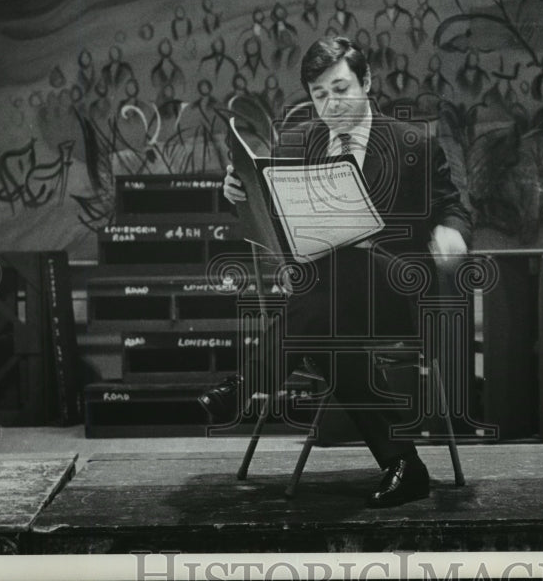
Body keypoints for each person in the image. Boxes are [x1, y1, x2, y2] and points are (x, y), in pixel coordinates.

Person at [199, 36, 471, 507]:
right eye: (320, 94)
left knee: (340, 266)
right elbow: (270, 219)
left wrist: (453, 235)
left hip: (394, 291)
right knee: (324, 323)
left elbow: (453, 208)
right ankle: (404, 465)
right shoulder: (298, 141)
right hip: (324, 301)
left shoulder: (412, 144)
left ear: (367, 82)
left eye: (341, 88)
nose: (331, 104)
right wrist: (237, 194)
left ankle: (247, 384)